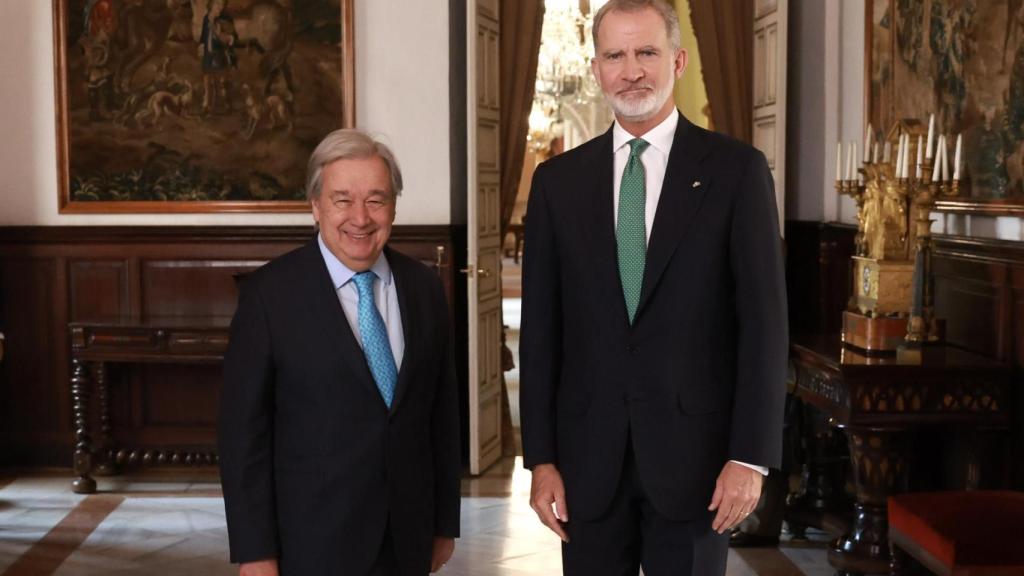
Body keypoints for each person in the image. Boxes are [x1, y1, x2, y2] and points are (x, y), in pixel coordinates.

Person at [519, 1, 787, 574]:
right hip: (587, 464)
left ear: (678, 61)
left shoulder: (737, 172)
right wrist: (539, 458)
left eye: (647, 53)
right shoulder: (557, 183)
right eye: (615, 55)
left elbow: (764, 326)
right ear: (596, 69)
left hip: (699, 464)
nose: (631, 70)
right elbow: (542, 332)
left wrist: (750, 457)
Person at [219, 129, 461, 576]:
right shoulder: (270, 297)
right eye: (342, 199)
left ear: (393, 206)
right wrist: (255, 550)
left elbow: (441, 416)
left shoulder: (425, 287)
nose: (361, 217)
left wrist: (444, 521)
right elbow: (242, 436)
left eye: (376, 199)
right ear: (316, 206)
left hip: (407, 536)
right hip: (311, 541)